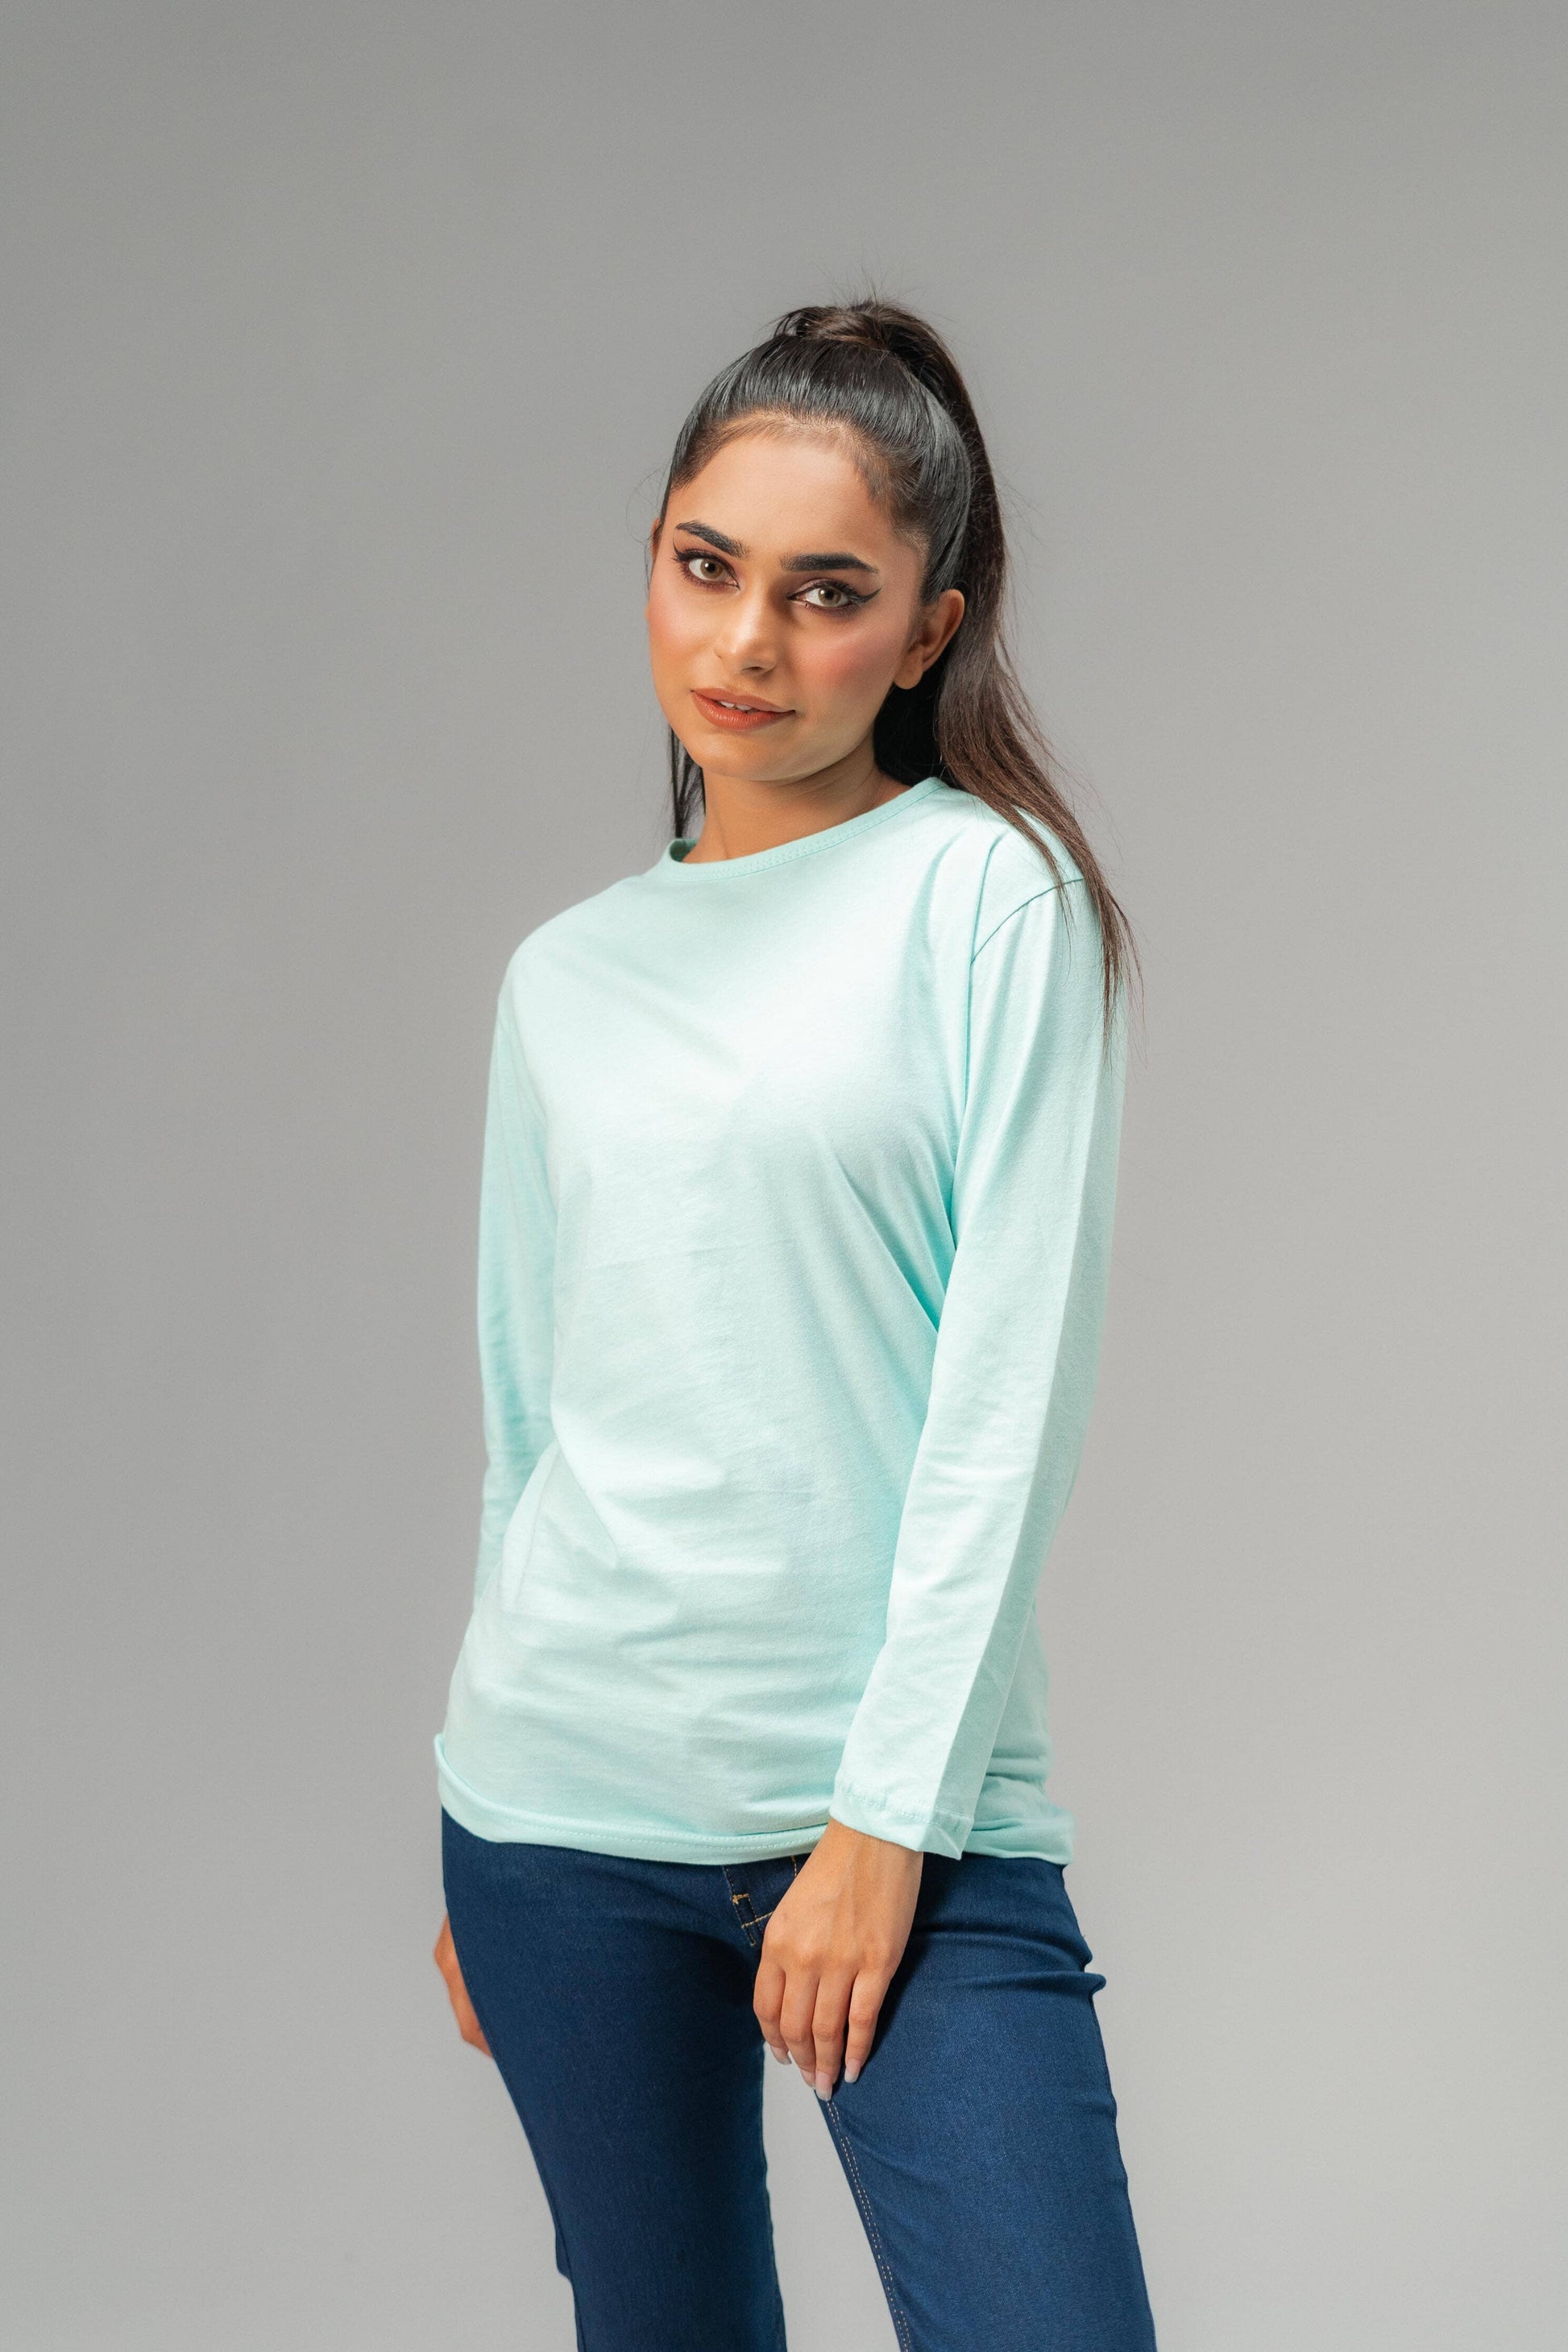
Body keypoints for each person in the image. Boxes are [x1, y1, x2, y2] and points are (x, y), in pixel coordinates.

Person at [431, 297, 1158, 2352]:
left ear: (928, 631)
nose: (745, 641)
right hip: (558, 1816)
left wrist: (885, 1821)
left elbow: (1006, 1398)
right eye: (706, 565)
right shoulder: (563, 978)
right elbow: (531, 1419)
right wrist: (486, 1808)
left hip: (898, 1812)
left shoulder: (991, 898)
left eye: (827, 593)